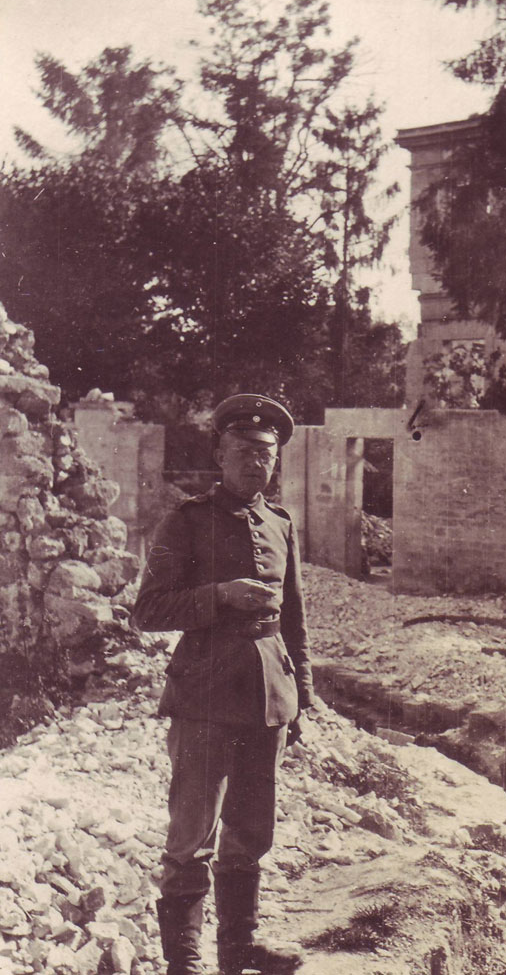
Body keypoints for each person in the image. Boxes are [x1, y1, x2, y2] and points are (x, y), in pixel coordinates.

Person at [132, 394, 314, 975]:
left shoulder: (280, 524)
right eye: (242, 451)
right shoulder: (184, 522)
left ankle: (239, 949)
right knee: (192, 834)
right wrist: (219, 596)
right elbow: (149, 610)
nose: (255, 463)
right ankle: (184, 964)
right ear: (219, 453)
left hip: (269, 698)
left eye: (266, 454)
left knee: (251, 829)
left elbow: (294, 623)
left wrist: (302, 701)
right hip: (205, 693)